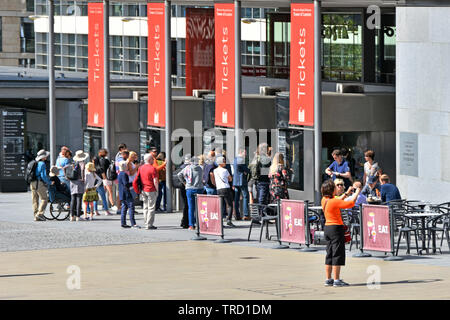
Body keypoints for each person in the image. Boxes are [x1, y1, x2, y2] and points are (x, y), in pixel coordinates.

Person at [321, 179, 361, 287]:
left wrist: (347, 192)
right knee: (337, 254)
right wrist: (357, 191)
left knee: (329, 254)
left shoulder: (324, 199)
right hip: (336, 229)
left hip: (327, 228)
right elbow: (351, 203)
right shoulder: (335, 201)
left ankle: (328, 279)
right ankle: (337, 280)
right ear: (332, 189)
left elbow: (338, 199)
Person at [178, 156, 204, 230]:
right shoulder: (200, 168)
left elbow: (179, 175)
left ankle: (191, 225)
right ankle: (199, 224)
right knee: (199, 208)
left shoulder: (187, 168)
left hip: (189, 188)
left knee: (191, 207)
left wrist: (184, 182)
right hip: (199, 188)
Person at [134, 153, 159, 230]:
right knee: (151, 207)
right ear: (149, 160)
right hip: (151, 189)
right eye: (152, 158)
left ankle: (146, 222)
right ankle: (149, 224)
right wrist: (157, 189)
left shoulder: (140, 168)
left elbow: (138, 178)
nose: (153, 160)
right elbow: (155, 181)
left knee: (145, 207)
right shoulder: (152, 168)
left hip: (143, 189)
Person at [213, 156, 235, 227]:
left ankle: (220, 222)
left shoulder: (215, 170)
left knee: (221, 205)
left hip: (219, 189)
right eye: (224, 161)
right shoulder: (225, 170)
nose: (225, 162)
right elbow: (230, 179)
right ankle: (229, 220)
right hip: (226, 188)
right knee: (230, 205)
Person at [31, 149, 51, 221]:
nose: (46, 157)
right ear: (43, 157)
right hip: (38, 183)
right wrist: (49, 182)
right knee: (44, 199)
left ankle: (35, 215)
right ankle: (39, 214)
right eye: (45, 156)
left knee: (35, 200)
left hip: (32, 182)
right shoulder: (42, 164)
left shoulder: (35, 162)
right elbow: (43, 176)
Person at [118, 160, 139, 228]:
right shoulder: (124, 174)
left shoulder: (120, 174)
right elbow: (126, 184)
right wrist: (133, 183)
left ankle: (123, 222)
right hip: (126, 193)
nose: (127, 166)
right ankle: (133, 223)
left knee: (124, 208)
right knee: (131, 207)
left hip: (122, 193)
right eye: (126, 165)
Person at [69, 150, 88, 222]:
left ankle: (72, 216)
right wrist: (84, 181)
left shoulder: (73, 163)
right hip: (79, 181)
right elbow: (83, 174)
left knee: (73, 199)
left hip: (72, 182)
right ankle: (78, 216)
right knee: (79, 199)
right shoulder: (82, 163)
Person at [232, 149, 251, 220]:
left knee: (236, 198)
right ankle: (245, 214)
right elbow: (246, 169)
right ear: (241, 152)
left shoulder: (235, 159)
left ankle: (237, 214)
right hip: (241, 181)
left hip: (236, 181)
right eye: (244, 152)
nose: (245, 154)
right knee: (245, 197)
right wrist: (247, 171)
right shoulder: (241, 160)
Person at [93, 148, 113, 215]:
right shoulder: (105, 161)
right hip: (101, 180)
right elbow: (105, 170)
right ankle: (106, 210)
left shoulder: (94, 164)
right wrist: (105, 178)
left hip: (94, 180)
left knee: (95, 197)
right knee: (103, 196)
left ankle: (95, 211)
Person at [177, 155, 191, 228]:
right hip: (185, 187)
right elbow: (179, 175)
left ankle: (184, 221)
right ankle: (185, 222)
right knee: (187, 205)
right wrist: (185, 183)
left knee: (185, 205)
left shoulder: (181, 166)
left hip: (182, 187)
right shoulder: (186, 167)